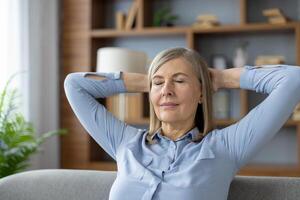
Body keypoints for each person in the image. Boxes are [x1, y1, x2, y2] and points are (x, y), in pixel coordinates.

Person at [64, 47, 300, 200]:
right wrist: (147, 82)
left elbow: (293, 80)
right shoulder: (126, 143)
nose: (167, 90)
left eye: (179, 80)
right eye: (159, 84)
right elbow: (74, 85)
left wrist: (222, 78)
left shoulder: (225, 147)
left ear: (200, 94)